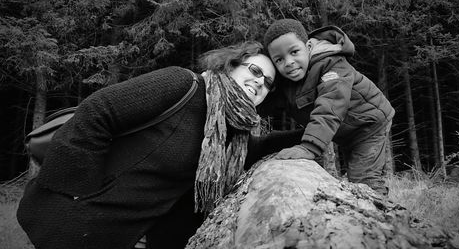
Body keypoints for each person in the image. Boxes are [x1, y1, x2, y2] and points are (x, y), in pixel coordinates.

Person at [17, 41, 304, 249]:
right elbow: (97, 111)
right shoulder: (184, 85)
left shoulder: (231, 133)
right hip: (75, 222)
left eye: (267, 82)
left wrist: (315, 132)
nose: (259, 82)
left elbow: (259, 147)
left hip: (128, 237)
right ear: (232, 63)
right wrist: (81, 194)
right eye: (254, 70)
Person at [261, 18, 394, 196]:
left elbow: (331, 105)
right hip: (345, 129)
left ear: (308, 47)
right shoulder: (287, 81)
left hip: (368, 125)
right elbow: (265, 104)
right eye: (279, 59)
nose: (289, 62)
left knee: (364, 179)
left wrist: (309, 147)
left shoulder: (332, 64)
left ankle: (386, 216)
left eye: (294, 52)